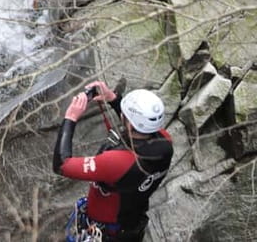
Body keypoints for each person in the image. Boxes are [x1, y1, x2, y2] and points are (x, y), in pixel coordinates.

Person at [53, 81, 173, 241]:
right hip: (132, 222)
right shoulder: (166, 142)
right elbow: (136, 127)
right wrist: (113, 98)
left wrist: (70, 118)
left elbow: (61, 165)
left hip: (107, 230)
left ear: (127, 121)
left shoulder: (116, 163)